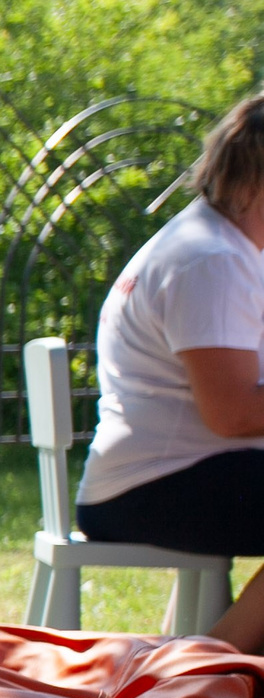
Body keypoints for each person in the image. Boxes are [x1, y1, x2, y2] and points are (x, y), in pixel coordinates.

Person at [75, 93, 264, 653]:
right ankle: (207, 673)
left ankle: (197, 655)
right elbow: (231, 414)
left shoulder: (213, 245)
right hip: (150, 487)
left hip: (159, 476)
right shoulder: (213, 260)